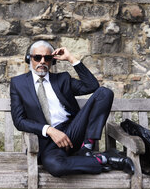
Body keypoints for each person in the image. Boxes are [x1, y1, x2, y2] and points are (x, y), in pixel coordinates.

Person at [10, 40, 134, 177]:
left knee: (104, 93)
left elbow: (92, 86)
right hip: (48, 142)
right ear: (29, 59)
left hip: (73, 130)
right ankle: (105, 159)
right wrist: (49, 130)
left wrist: (71, 59)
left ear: (53, 61)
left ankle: (86, 147)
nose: (42, 61)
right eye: (37, 57)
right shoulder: (18, 83)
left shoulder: (62, 79)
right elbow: (19, 120)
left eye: (48, 58)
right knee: (56, 166)